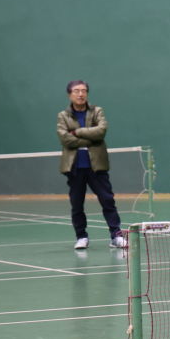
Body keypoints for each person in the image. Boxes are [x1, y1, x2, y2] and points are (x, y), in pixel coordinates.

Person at [56, 80, 126, 250]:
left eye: (83, 90)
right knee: (77, 204)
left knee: (107, 200)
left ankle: (116, 236)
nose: (80, 94)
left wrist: (77, 132)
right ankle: (81, 237)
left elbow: (101, 131)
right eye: (76, 91)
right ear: (70, 94)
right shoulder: (63, 116)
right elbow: (65, 139)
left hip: (97, 165)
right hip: (74, 167)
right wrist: (90, 138)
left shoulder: (97, 111)